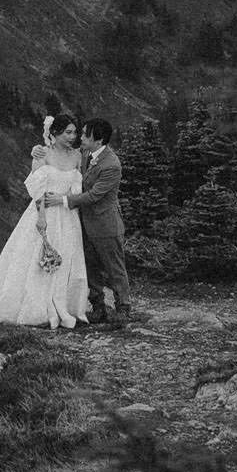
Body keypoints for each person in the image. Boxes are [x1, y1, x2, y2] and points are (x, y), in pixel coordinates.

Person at [0, 108, 91, 328]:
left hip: (68, 216)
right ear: (54, 133)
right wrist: (41, 217)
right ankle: (37, 306)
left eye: (74, 132)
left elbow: (77, 188)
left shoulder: (76, 156)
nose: (73, 137)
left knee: (67, 258)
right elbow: (37, 190)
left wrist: (64, 200)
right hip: (46, 213)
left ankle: (65, 303)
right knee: (38, 259)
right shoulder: (42, 155)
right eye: (68, 132)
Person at [76, 116, 131, 328]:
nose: (80, 137)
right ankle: (98, 307)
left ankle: (123, 309)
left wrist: (64, 200)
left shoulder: (111, 164)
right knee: (91, 267)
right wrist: (38, 149)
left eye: (84, 134)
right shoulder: (85, 153)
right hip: (87, 224)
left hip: (106, 225)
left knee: (114, 267)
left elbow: (93, 195)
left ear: (98, 140)